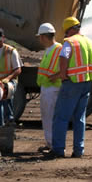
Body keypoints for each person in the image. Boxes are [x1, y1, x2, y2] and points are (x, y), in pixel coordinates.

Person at [49, 17, 92, 159]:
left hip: (72, 83)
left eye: (66, 32)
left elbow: (64, 57)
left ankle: (58, 150)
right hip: (86, 84)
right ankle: (78, 151)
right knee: (79, 117)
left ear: (70, 30)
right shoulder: (89, 42)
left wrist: (62, 74)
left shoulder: (69, 43)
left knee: (61, 117)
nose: (66, 35)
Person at [35, 23, 62, 152]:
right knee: (47, 116)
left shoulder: (58, 49)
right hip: (47, 87)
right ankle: (50, 143)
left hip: (53, 87)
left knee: (50, 117)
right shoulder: (50, 49)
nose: (40, 40)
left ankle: (53, 144)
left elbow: (64, 68)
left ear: (44, 36)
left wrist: (53, 78)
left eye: (40, 37)